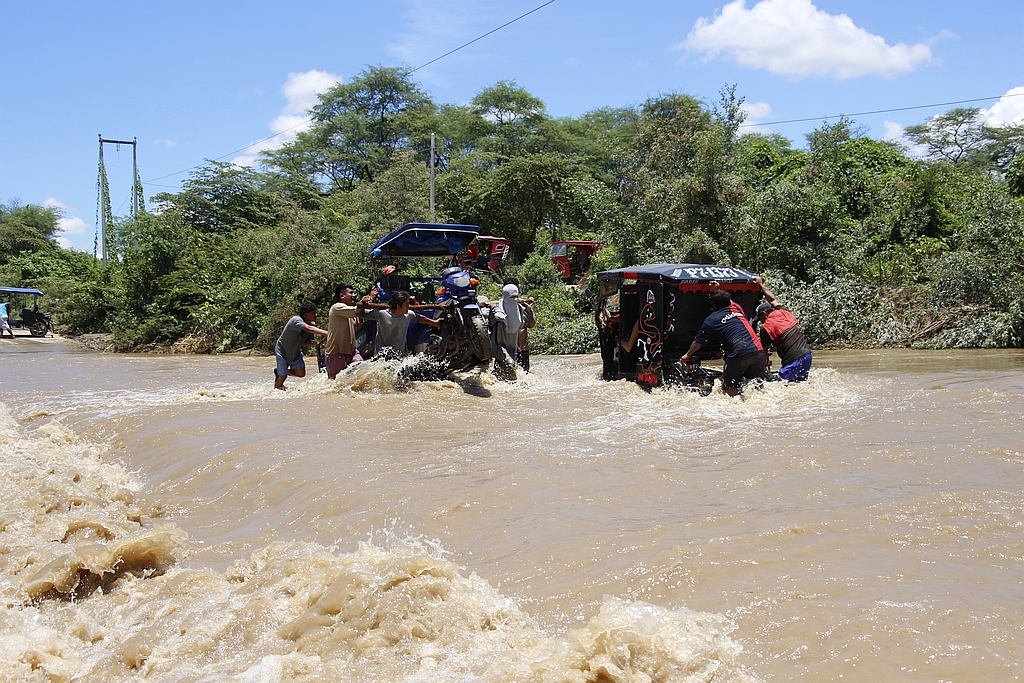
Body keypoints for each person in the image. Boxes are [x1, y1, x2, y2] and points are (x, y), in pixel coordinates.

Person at [679, 282, 765, 397]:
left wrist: (687, 355)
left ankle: (739, 408)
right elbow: (728, 301)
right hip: (758, 350)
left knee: (729, 385)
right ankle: (758, 406)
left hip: (739, 352)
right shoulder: (737, 308)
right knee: (754, 383)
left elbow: (698, 343)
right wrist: (718, 290)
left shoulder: (712, 319)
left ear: (714, 305)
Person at [752, 276, 812, 382]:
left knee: (782, 384)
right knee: (800, 383)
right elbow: (773, 300)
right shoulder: (783, 312)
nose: (760, 321)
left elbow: (764, 354)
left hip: (793, 359)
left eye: (760, 318)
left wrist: (764, 366)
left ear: (764, 314)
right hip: (807, 355)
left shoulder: (766, 328)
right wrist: (761, 285)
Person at [362, 290, 440, 359]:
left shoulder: (409, 315)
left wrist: (434, 323)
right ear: (398, 306)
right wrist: (362, 302)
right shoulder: (382, 314)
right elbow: (360, 313)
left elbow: (420, 318)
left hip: (398, 358)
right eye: (406, 304)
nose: (409, 306)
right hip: (381, 357)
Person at [274, 301, 328, 390]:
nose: (316, 315)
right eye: (313, 313)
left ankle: (279, 372)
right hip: (282, 351)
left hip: (294, 353)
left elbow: (306, 342)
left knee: (301, 374)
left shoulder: (312, 325)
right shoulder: (295, 320)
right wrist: (327, 333)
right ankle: (275, 391)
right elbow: (308, 329)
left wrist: (315, 345)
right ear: (305, 315)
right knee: (282, 378)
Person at [324, 283, 369, 379]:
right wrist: (364, 300)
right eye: (351, 293)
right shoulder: (337, 307)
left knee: (361, 373)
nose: (354, 295)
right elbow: (357, 310)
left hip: (351, 353)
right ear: (341, 296)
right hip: (335, 354)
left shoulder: (348, 311)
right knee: (335, 384)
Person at [502, 277, 536, 371]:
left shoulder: (523, 306)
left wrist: (529, 311)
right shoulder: (499, 308)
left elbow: (531, 325)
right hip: (506, 349)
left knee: (524, 376)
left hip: (523, 349)